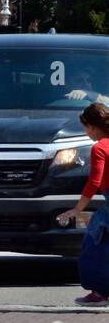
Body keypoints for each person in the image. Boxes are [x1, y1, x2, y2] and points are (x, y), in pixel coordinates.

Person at [55, 103, 109, 306]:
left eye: (85, 128)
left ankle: (99, 292)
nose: (86, 133)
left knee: (93, 242)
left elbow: (94, 181)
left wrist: (78, 208)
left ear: (92, 126)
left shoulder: (99, 148)